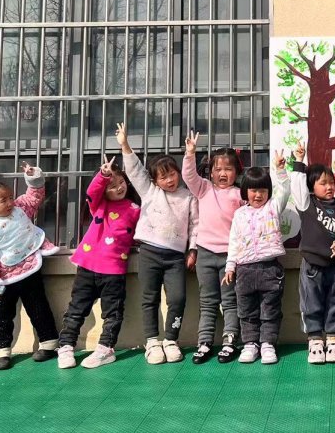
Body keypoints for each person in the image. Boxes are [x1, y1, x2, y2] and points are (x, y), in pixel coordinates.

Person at [118, 122, 197, 365]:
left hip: (175, 257)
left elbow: (195, 225)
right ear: (155, 180)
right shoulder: (150, 192)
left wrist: (192, 249)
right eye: (163, 177)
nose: (169, 180)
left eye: (172, 174)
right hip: (149, 253)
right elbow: (135, 171)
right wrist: (125, 146)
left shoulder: (188, 197)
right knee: (149, 298)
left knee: (178, 298)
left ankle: (171, 339)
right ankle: (152, 342)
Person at [57, 156, 141, 370]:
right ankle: (66, 346)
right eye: (112, 186)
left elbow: (141, 232)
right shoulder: (99, 205)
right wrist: (103, 175)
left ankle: (106, 349)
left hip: (114, 269)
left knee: (112, 312)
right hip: (87, 266)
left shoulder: (134, 208)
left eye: (121, 182)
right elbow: (92, 192)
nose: (119, 187)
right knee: (76, 309)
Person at [0, 165, 60, 370]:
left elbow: (34, 197)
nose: (10, 203)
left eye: (10, 197)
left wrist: (33, 178)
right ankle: (1, 352)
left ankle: (49, 343)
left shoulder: (20, 209)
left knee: (39, 308)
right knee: (1, 316)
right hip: (5, 277)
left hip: (30, 267)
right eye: (3, 200)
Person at [287, 144, 335, 364]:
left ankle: (334, 338)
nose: (329, 187)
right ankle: (315, 339)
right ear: (312, 186)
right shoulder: (307, 203)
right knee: (311, 302)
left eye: (331, 183)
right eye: (323, 183)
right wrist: (299, 161)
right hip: (311, 265)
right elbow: (297, 186)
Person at [181, 131, 244, 364]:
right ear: (210, 172)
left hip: (230, 256)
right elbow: (188, 176)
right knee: (207, 301)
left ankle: (230, 341)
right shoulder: (204, 188)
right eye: (217, 169)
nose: (222, 173)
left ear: (236, 171)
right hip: (205, 254)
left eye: (228, 169)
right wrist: (190, 154)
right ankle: (204, 342)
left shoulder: (240, 194)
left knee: (230, 300)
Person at [222, 159, 291, 365]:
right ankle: (250, 344)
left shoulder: (273, 207)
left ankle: (268, 343)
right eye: (253, 190)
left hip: (270, 269)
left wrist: (280, 170)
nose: (258, 195)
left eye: (262, 190)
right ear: (245, 191)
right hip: (244, 271)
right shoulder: (239, 214)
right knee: (246, 311)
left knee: (270, 310)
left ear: (268, 192)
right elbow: (234, 241)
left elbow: (285, 190)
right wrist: (230, 266)